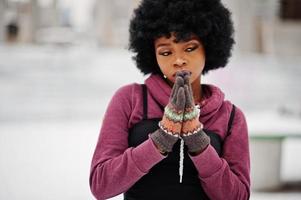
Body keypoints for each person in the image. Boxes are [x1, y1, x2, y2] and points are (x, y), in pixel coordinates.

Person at [89, 0, 250, 199]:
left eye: (190, 48)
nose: (178, 60)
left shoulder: (231, 117)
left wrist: (199, 144)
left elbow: (238, 196)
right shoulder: (129, 100)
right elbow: (101, 185)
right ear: (152, 55)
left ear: (209, 47)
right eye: (166, 52)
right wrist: (161, 140)